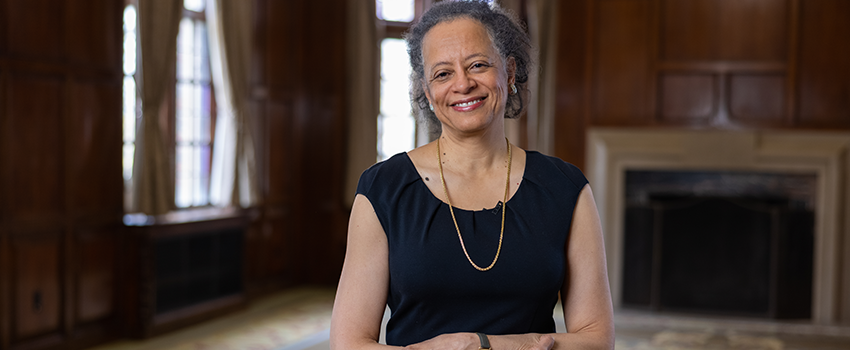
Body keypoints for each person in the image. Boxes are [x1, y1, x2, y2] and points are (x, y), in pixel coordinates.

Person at [330, 1, 614, 349]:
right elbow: (347, 344)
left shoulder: (565, 187)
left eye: (478, 65)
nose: (462, 84)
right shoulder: (383, 189)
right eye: (442, 73)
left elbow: (598, 340)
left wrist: (487, 345)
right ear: (427, 92)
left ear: (509, 72)